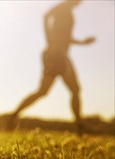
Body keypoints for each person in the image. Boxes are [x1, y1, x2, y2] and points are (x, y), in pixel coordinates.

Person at [8, 0, 95, 130]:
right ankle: (13, 115)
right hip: (55, 55)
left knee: (58, 91)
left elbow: (65, 37)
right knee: (59, 90)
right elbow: (46, 16)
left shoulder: (68, 11)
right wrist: (50, 41)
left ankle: (79, 125)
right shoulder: (64, 7)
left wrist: (82, 42)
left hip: (60, 55)